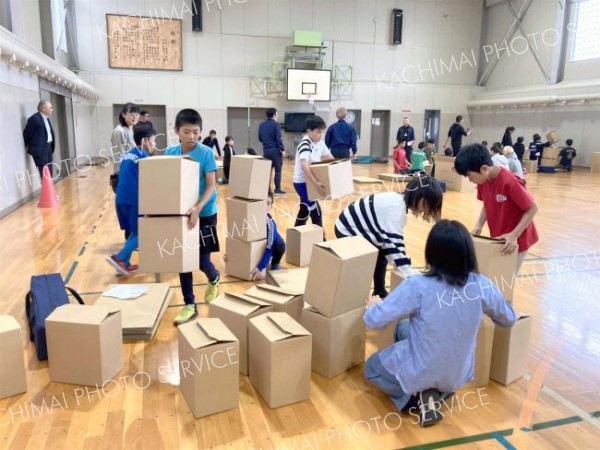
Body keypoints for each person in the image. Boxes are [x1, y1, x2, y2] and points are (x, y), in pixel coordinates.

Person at [363, 220, 517, 426]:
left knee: (371, 369)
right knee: (403, 328)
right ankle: (436, 392)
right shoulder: (482, 286)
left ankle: (416, 396)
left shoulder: (418, 286)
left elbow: (374, 320)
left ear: (431, 254)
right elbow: (509, 319)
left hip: (423, 369)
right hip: (457, 375)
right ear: (468, 254)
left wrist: (373, 306)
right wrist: (499, 301)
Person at [335, 176, 443, 298]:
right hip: (348, 229)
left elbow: (392, 245)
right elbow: (395, 247)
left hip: (365, 228)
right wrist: (411, 274)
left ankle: (379, 292)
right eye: (427, 205)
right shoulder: (395, 211)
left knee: (382, 258)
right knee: (364, 262)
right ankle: (356, 298)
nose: (425, 210)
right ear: (420, 198)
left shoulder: (399, 201)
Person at [165, 109, 220, 326]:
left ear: (200, 132)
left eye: (195, 132)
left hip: (205, 213)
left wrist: (198, 207)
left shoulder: (206, 153)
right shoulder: (170, 152)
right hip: (181, 215)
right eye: (186, 132)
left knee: (201, 260)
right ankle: (189, 304)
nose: (191, 137)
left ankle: (214, 277)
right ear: (176, 131)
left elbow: (211, 185)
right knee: (184, 260)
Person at [454, 144, 539, 274]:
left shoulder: (510, 181)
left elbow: (533, 208)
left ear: (484, 169)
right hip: (499, 238)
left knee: (503, 281)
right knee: (494, 277)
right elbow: (487, 204)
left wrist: (514, 235)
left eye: (470, 176)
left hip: (516, 240)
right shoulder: (483, 180)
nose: (470, 180)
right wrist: (479, 225)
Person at [106, 127, 156, 275]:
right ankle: (120, 258)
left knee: (135, 231)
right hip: (135, 199)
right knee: (143, 232)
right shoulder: (144, 158)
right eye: (153, 141)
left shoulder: (128, 155)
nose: (154, 144)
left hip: (121, 198)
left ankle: (124, 264)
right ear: (144, 141)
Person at [293, 116, 334, 227]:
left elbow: (330, 157)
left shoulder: (320, 143)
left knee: (304, 209)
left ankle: (296, 233)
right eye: (318, 132)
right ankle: (322, 240)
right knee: (316, 211)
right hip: (301, 182)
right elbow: (303, 165)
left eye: (322, 132)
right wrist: (315, 183)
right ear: (309, 131)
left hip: (310, 181)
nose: (320, 135)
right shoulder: (305, 144)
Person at [251, 191, 286, 280]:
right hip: (258, 246)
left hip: (272, 247)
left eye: (268, 203)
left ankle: (275, 262)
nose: (265, 206)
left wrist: (260, 267)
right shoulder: (250, 217)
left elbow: (269, 247)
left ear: (271, 206)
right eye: (263, 202)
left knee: (279, 243)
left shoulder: (270, 224)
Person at [23, 100, 56, 180]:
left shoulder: (47, 118)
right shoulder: (34, 119)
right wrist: (32, 146)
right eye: (50, 107)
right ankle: (47, 191)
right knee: (44, 172)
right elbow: (27, 134)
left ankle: (49, 191)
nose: (52, 109)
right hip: (40, 150)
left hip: (48, 148)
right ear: (44, 109)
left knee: (49, 171)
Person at [259, 108, 286, 195]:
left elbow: (260, 138)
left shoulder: (261, 125)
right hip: (275, 151)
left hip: (266, 151)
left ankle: (266, 189)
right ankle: (277, 189)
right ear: (274, 115)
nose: (277, 116)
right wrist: (282, 150)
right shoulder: (276, 125)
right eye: (277, 114)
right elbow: (279, 139)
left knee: (267, 171)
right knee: (278, 170)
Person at [111, 103, 140, 175]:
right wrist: (121, 174)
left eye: (137, 115)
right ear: (123, 114)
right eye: (132, 114)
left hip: (131, 170)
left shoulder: (132, 130)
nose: (135, 117)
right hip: (124, 173)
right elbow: (119, 156)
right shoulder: (120, 131)